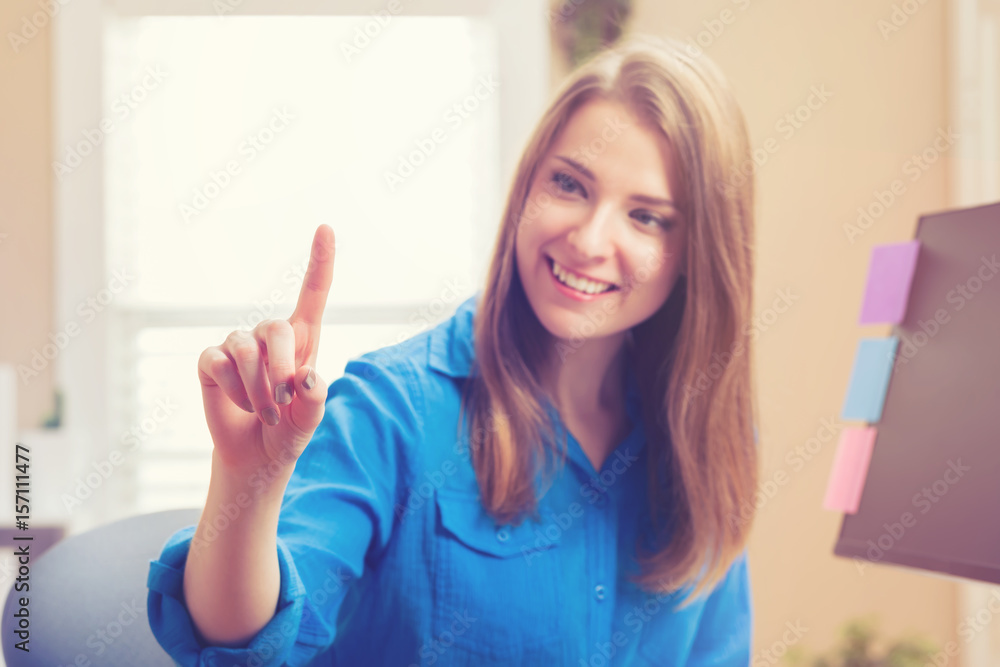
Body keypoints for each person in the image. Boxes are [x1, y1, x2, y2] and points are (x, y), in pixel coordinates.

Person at [147, 32, 759, 666]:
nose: (590, 239)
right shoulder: (393, 412)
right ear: (527, 189)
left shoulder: (701, 433)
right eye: (570, 185)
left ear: (695, 252)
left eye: (647, 216)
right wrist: (249, 485)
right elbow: (242, 647)